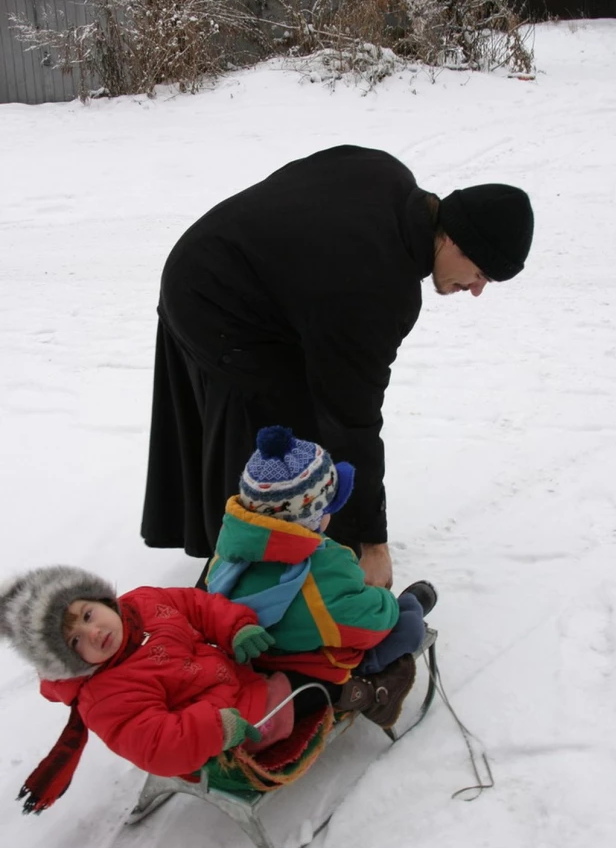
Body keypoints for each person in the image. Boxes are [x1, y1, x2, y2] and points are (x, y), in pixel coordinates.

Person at [141, 144, 534, 588]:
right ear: (455, 239)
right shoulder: (379, 288)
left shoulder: (385, 172)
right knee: (281, 434)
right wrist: (373, 543)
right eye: (481, 274)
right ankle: (247, 578)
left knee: (305, 419)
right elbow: (353, 417)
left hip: (209, 261)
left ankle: (305, 550)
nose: (477, 290)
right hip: (215, 301)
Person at [0, 561, 432, 814]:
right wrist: (219, 726)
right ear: (66, 660)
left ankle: (399, 613)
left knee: (300, 634)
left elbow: (198, 605)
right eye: (75, 640)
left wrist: (237, 628)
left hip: (240, 671)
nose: (93, 633)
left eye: (88, 615)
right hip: (244, 726)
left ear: (100, 600)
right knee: (325, 670)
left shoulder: (141, 604)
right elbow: (157, 744)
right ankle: (378, 667)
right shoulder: (105, 694)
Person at [204, 423, 436, 686]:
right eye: (327, 508)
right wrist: (385, 601)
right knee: (408, 626)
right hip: (302, 668)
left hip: (247, 652)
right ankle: (365, 674)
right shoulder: (320, 573)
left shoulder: (229, 551)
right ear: (311, 517)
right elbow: (369, 625)